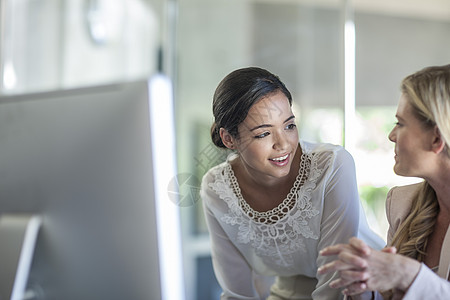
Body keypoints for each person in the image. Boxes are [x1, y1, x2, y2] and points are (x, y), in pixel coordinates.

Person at [200, 66, 384, 300]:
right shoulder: (217, 187)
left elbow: (335, 283)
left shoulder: (332, 165)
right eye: (263, 134)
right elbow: (238, 292)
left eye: (289, 126)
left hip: (360, 287)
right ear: (228, 138)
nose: (283, 144)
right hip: (290, 291)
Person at [318, 64, 450, 299]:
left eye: (400, 123)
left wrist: (409, 274)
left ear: (436, 138)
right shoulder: (402, 204)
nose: (391, 135)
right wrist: (364, 284)